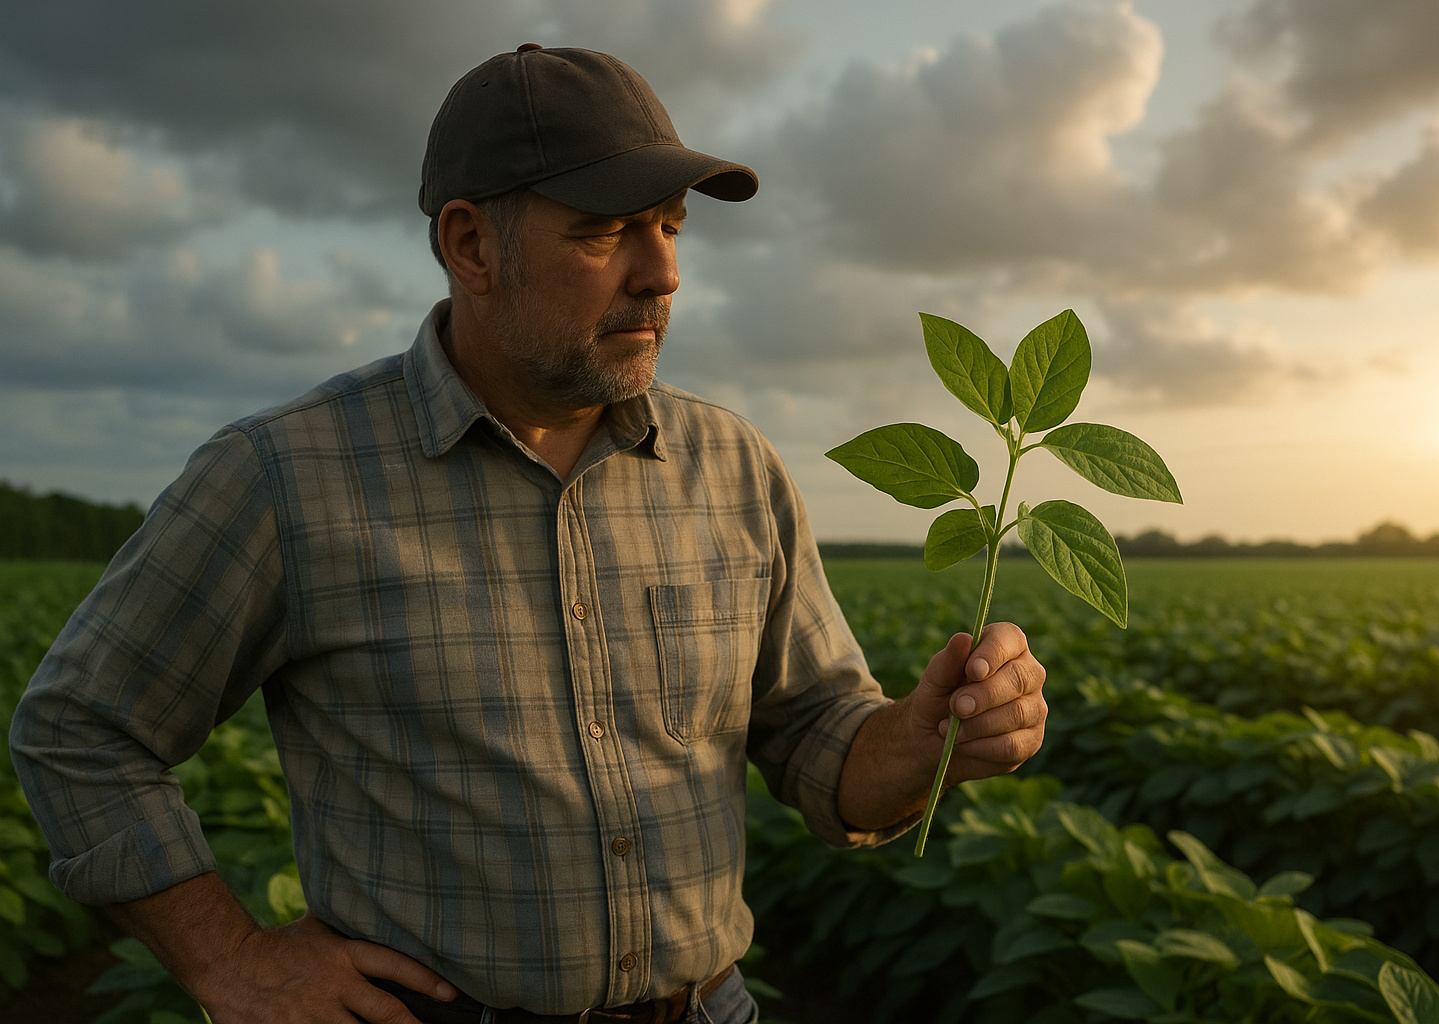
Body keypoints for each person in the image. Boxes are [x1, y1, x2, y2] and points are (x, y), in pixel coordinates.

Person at [9, 45, 1047, 1024]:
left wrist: (919, 743)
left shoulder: (734, 467)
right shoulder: (288, 475)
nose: (662, 272)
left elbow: (822, 740)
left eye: (672, 227)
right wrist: (226, 959)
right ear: (470, 245)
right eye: (607, 232)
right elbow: (81, 728)